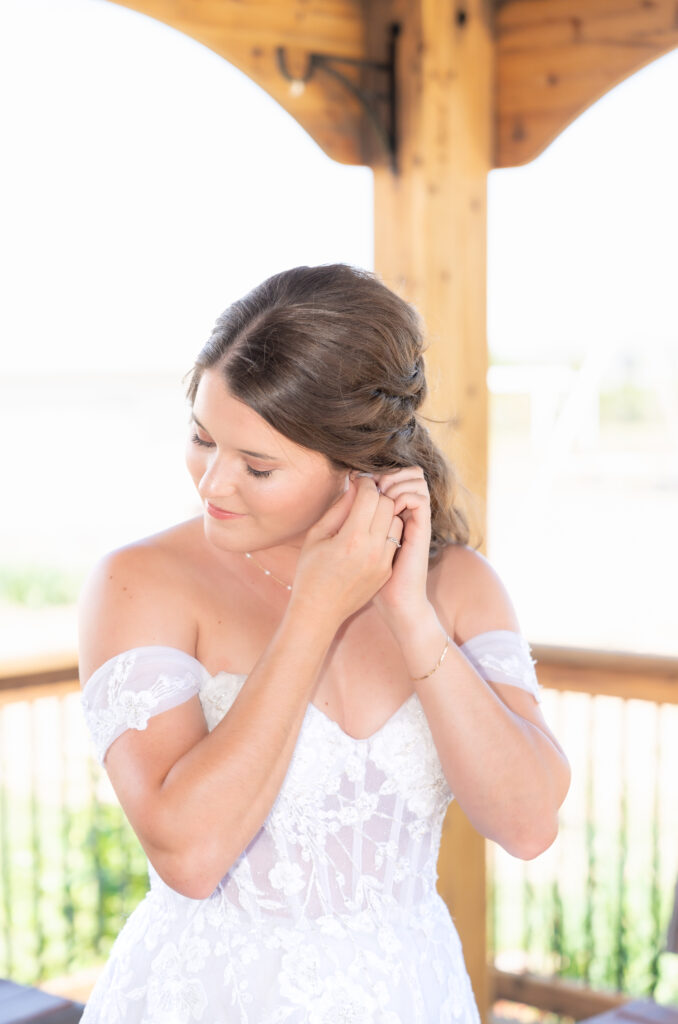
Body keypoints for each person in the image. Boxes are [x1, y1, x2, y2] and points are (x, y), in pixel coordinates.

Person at [77, 262, 570, 1023]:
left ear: (358, 462)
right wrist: (316, 607)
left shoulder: (458, 586)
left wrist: (412, 618)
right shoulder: (139, 584)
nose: (212, 484)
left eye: (258, 465)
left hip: (409, 995)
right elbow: (190, 856)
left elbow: (529, 824)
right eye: (203, 438)